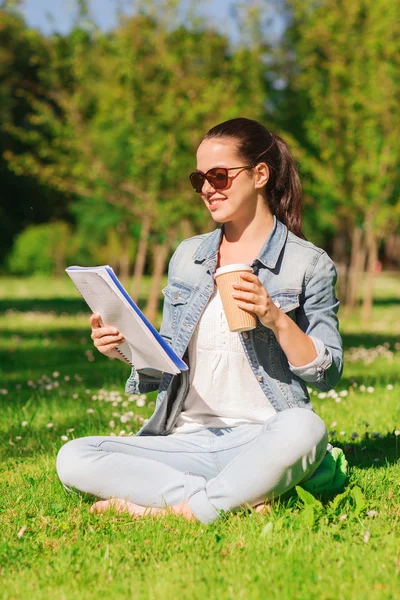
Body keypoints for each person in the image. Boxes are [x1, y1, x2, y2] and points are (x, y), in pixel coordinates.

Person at [56, 117, 343, 524]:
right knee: (75, 456)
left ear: (260, 174)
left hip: (264, 436)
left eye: (220, 176)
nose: (207, 188)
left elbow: (327, 372)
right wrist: (123, 346)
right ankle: (221, 499)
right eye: (199, 179)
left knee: (306, 429)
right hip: (186, 439)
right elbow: (167, 361)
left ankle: (177, 509)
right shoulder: (187, 257)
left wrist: (275, 318)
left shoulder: (308, 263)